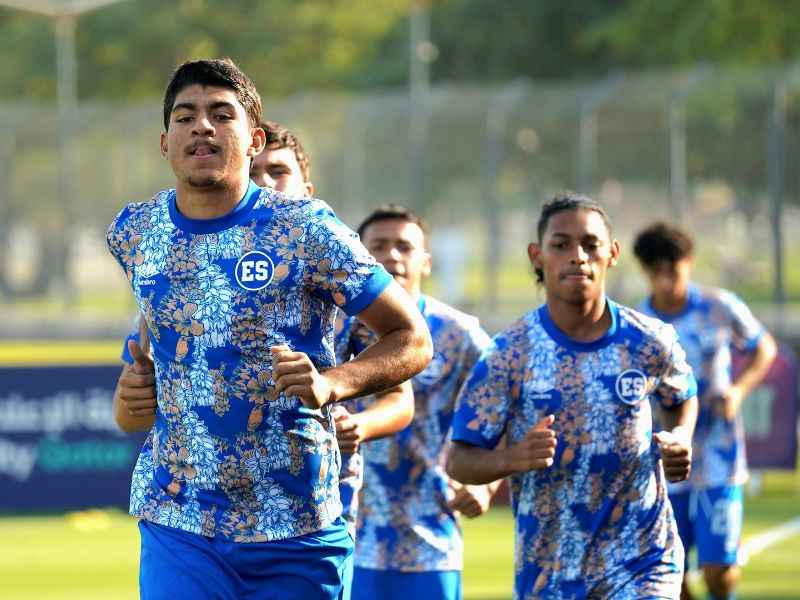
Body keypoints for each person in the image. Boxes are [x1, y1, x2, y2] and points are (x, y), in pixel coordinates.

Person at [105, 58, 432, 600]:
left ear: (254, 139)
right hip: (179, 517)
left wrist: (333, 384)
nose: (202, 127)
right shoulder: (136, 233)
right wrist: (130, 397)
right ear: (165, 143)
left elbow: (412, 338)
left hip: (296, 524)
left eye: (221, 114)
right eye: (185, 117)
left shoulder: (306, 230)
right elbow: (143, 373)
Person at [447, 192, 699, 599]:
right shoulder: (508, 353)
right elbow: (459, 460)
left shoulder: (650, 340)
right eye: (561, 245)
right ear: (537, 255)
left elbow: (682, 393)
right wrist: (511, 458)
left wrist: (681, 436)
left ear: (612, 253)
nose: (577, 256)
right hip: (550, 571)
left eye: (590, 244)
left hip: (643, 557)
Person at [335, 204, 496, 600]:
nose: (391, 256)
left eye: (404, 247)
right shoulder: (330, 328)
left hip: (430, 541)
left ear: (425, 262)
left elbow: (510, 404)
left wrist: (489, 483)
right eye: (379, 247)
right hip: (345, 536)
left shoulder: (459, 334)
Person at [633, 222, 777, 600]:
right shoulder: (638, 326)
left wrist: (738, 389)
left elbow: (764, 348)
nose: (666, 282)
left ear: (689, 263)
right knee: (670, 572)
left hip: (719, 455)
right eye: (656, 272)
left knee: (719, 568)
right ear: (645, 272)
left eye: (674, 270)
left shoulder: (720, 306)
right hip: (666, 461)